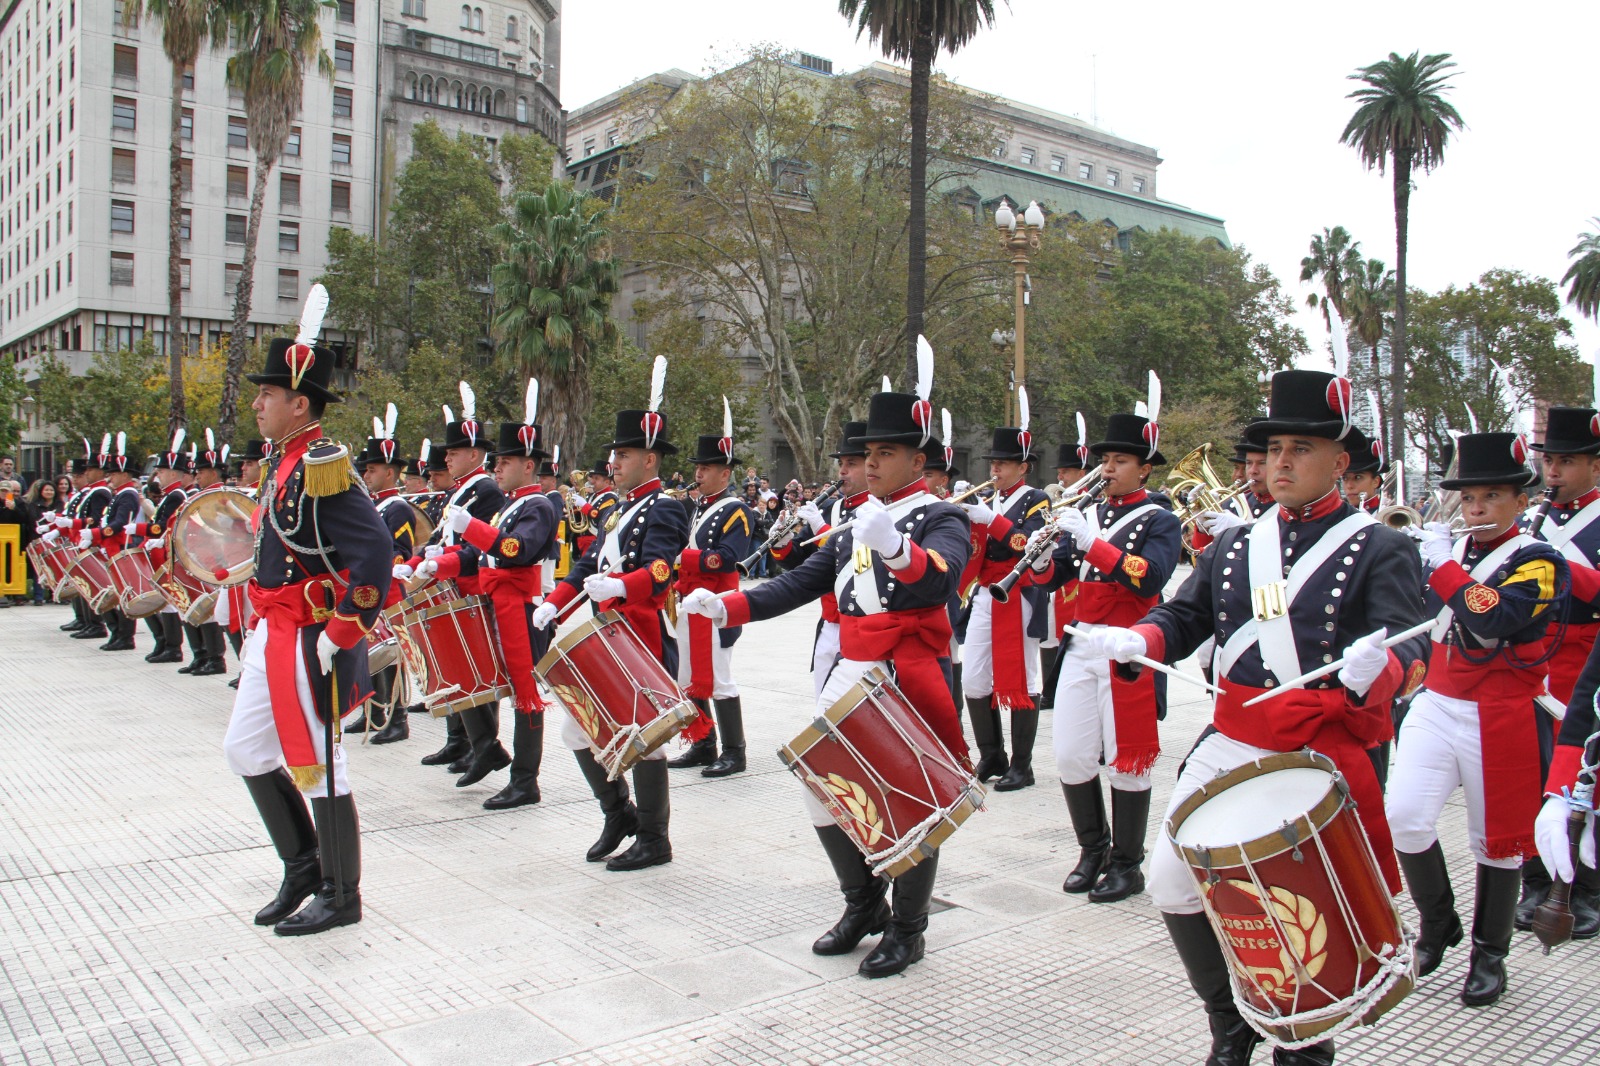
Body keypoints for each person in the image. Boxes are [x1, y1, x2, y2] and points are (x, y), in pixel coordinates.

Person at [1090, 369, 1429, 1065]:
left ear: (1339, 461)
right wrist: (1141, 640)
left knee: (1303, 903)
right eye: (1273, 448)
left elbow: (1411, 646)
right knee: (1170, 879)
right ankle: (1231, 1023)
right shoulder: (1239, 543)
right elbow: (1183, 617)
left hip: (1319, 745)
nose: (1279, 462)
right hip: (1234, 733)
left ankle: (1307, 1045)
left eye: (1299, 449)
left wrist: (1380, 670)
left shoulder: (1380, 545)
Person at [682, 378, 971, 978]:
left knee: (912, 799)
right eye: (867, 454)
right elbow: (802, 582)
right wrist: (729, 606)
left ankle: (909, 927)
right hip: (853, 666)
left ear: (918, 461)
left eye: (885, 454)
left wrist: (896, 547)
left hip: (908, 670)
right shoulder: (858, 518)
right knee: (821, 784)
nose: (869, 464)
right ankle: (862, 903)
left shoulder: (942, 515)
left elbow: (942, 581)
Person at [224, 319, 393, 936]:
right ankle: (303, 866)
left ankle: (340, 892)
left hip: (309, 634)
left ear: (300, 403)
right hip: (273, 627)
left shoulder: (323, 465)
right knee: (244, 749)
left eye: (267, 394)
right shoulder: (281, 463)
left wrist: (342, 631)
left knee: (320, 762)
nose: (257, 403)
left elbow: (374, 557)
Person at [1389, 430, 1566, 1008]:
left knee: (1497, 844)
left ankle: (1490, 954)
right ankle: (1439, 924)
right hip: (1438, 702)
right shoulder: (1450, 551)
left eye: (1492, 496)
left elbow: (1492, 618)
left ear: (1521, 501)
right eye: (1469, 499)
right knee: (1406, 817)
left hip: (1502, 715)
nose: (1477, 509)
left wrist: (1439, 565)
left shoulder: (1541, 560)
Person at [533, 383, 690, 871]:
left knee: (643, 741)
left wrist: (622, 588)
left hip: (642, 636)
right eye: (614, 455)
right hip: (607, 634)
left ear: (649, 459)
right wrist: (556, 603)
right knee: (578, 733)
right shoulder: (618, 508)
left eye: (622, 454)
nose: (613, 463)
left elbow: (662, 570)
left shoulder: (666, 504)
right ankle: (619, 814)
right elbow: (584, 567)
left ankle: (654, 837)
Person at [1036, 405, 1182, 904]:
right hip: (1081, 642)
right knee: (1072, 756)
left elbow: (1149, 576)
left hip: (1128, 646)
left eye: (1120, 461)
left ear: (1144, 468)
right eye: (1106, 461)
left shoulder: (1160, 519)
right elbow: (1056, 575)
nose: (1110, 469)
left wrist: (1091, 541)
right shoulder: (1088, 514)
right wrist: (1032, 559)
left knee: (1128, 759)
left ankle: (1127, 863)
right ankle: (1091, 849)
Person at [412, 387, 560, 810]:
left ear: (528, 465)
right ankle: (503, 763)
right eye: (495, 462)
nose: (497, 468)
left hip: (523, 609)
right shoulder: (509, 506)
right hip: (500, 605)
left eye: (505, 461)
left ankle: (525, 780)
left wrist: (470, 527)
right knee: (504, 685)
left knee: (525, 694)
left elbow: (516, 550)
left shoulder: (539, 506)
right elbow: (480, 555)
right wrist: (437, 565)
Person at [1522, 406, 1600, 936]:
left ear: (1596, 467)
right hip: (1533, 659)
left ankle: (1588, 887)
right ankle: (1533, 878)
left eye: (1566, 462)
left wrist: (1551, 564)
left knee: (1584, 778)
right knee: (1530, 768)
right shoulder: (1534, 516)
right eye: (1550, 461)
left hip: (1585, 659)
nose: (1553, 473)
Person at [404, 386, 507, 774]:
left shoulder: (485, 490)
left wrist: (442, 563)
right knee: (452, 667)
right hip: (449, 587)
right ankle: (461, 741)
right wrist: (415, 560)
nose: (446, 458)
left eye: (454, 452)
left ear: (476, 455)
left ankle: (484, 746)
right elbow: (437, 538)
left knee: (475, 670)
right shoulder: (459, 490)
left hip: (471, 587)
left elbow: (485, 545)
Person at [957, 420, 1051, 791]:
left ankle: (1022, 764)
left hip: (1020, 591)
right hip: (984, 591)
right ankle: (991, 753)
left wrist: (992, 521)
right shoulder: (989, 500)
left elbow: (1029, 544)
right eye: (993, 462)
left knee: (1024, 675)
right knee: (975, 675)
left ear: (1023, 467)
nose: (994, 469)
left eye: (1004, 463)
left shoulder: (1036, 499)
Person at [669, 414, 756, 778]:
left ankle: (735, 752)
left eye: (706, 468)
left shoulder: (737, 509)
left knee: (719, 677)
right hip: (689, 603)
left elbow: (727, 558)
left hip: (717, 606)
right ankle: (703, 742)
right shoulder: (698, 507)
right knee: (688, 674)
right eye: (698, 468)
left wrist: (682, 557)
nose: (699, 474)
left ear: (725, 473)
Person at [351, 412, 415, 740]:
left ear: (390, 472)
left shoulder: (398, 507)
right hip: (370, 589)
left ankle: (399, 719)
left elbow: (400, 550)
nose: (367, 474)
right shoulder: (375, 506)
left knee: (392, 655)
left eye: (373, 469)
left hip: (389, 591)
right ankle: (373, 711)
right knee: (370, 651)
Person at [132, 431, 191, 664]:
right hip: (159, 552)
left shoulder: (176, 494)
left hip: (166, 554)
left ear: (174, 473)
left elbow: (162, 527)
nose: (158, 475)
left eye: (162, 471)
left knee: (168, 602)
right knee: (163, 600)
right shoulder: (169, 495)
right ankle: (165, 643)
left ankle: (173, 647)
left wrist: (137, 530)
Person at [1038, 440, 1089, 710]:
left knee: (1074, 632)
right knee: (1049, 632)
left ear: (1082, 473)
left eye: (1066, 471)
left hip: (1082, 574)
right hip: (1060, 567)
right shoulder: (1060, 497)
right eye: (1060, 471)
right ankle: (1050, 689)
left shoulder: (1093, 497)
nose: (1060, 476)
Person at [181, 434, 231, 676]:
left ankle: (215, 659)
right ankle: (201, 655)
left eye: (201, 471)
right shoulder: (200, 495)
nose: (197, 475)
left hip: (216, 561)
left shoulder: (221, 495)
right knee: (194, 607)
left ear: (213, 471)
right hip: (198, 559)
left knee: (214, 612)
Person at [23, 478, 56, 604]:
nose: (49, 492)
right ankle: (39, 596)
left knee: (55, 567)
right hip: (37, 539)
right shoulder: (34, 505)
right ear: (41, 492)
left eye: (51, 490)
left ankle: (56, 595)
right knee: (39, 568)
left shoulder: (58, 504)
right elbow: (33, 521)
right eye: (46, 490)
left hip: (56, 540)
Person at [1339, 427, 1386, 514]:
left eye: (1357, 477)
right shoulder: (1337, 516)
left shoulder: (1386, 513)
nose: (1349, 486)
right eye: (1345, 478)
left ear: (1376, 481)